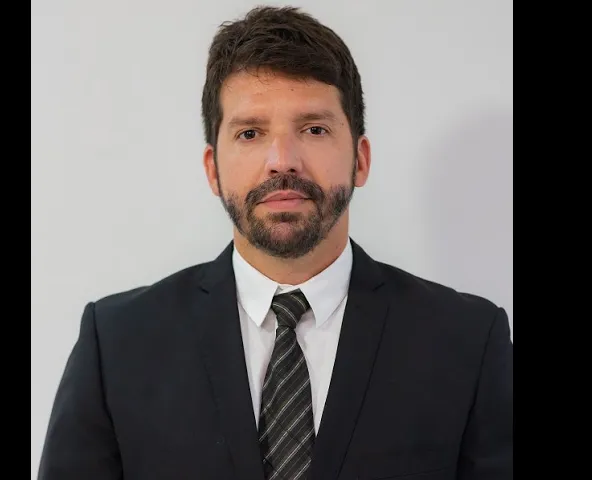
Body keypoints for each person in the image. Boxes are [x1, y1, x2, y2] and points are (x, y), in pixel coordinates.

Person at [37, 6, 512, 480]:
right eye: (250, 133)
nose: (282, 160)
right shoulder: (117, 345)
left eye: (314, 129)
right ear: (212, 170)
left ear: (361, 159)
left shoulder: (469, 342)